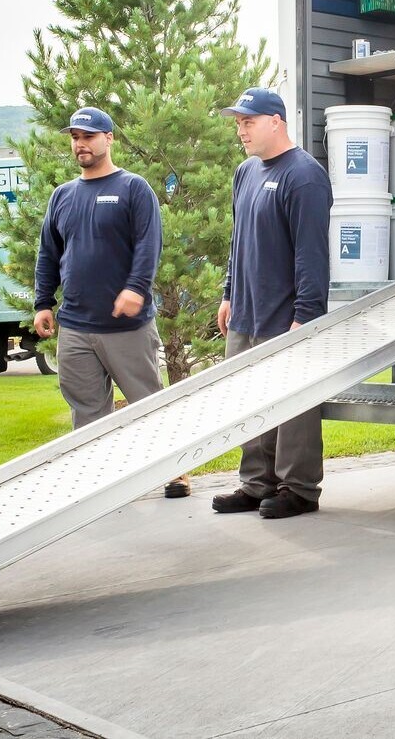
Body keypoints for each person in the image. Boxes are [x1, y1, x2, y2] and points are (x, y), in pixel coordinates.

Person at [31, 107, 184, 496]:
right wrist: (43, 302)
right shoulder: (62, 196)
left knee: (148, 403)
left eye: (88, 137)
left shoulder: (133, 188)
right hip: (77, 328)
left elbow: (149, 245)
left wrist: (136, 287)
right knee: (87, 410)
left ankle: (175, 470)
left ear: (109, 139)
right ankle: (96, 482)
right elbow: (48, 253)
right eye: (75, 138)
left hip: (127, 328)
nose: (80, 144)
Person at [209, 87, 334, 520]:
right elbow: (237, 242)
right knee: (249, 400)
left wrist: (307, 317)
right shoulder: (245, 172)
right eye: (239, 122)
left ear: (275, 122)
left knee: (293, 404)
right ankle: (256, 483)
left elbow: (312, 253)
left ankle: (298, 488)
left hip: (285, 315)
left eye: (249, 122)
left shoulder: (305, 175)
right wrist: (228, 294)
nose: (241, 130)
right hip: (245, 310)